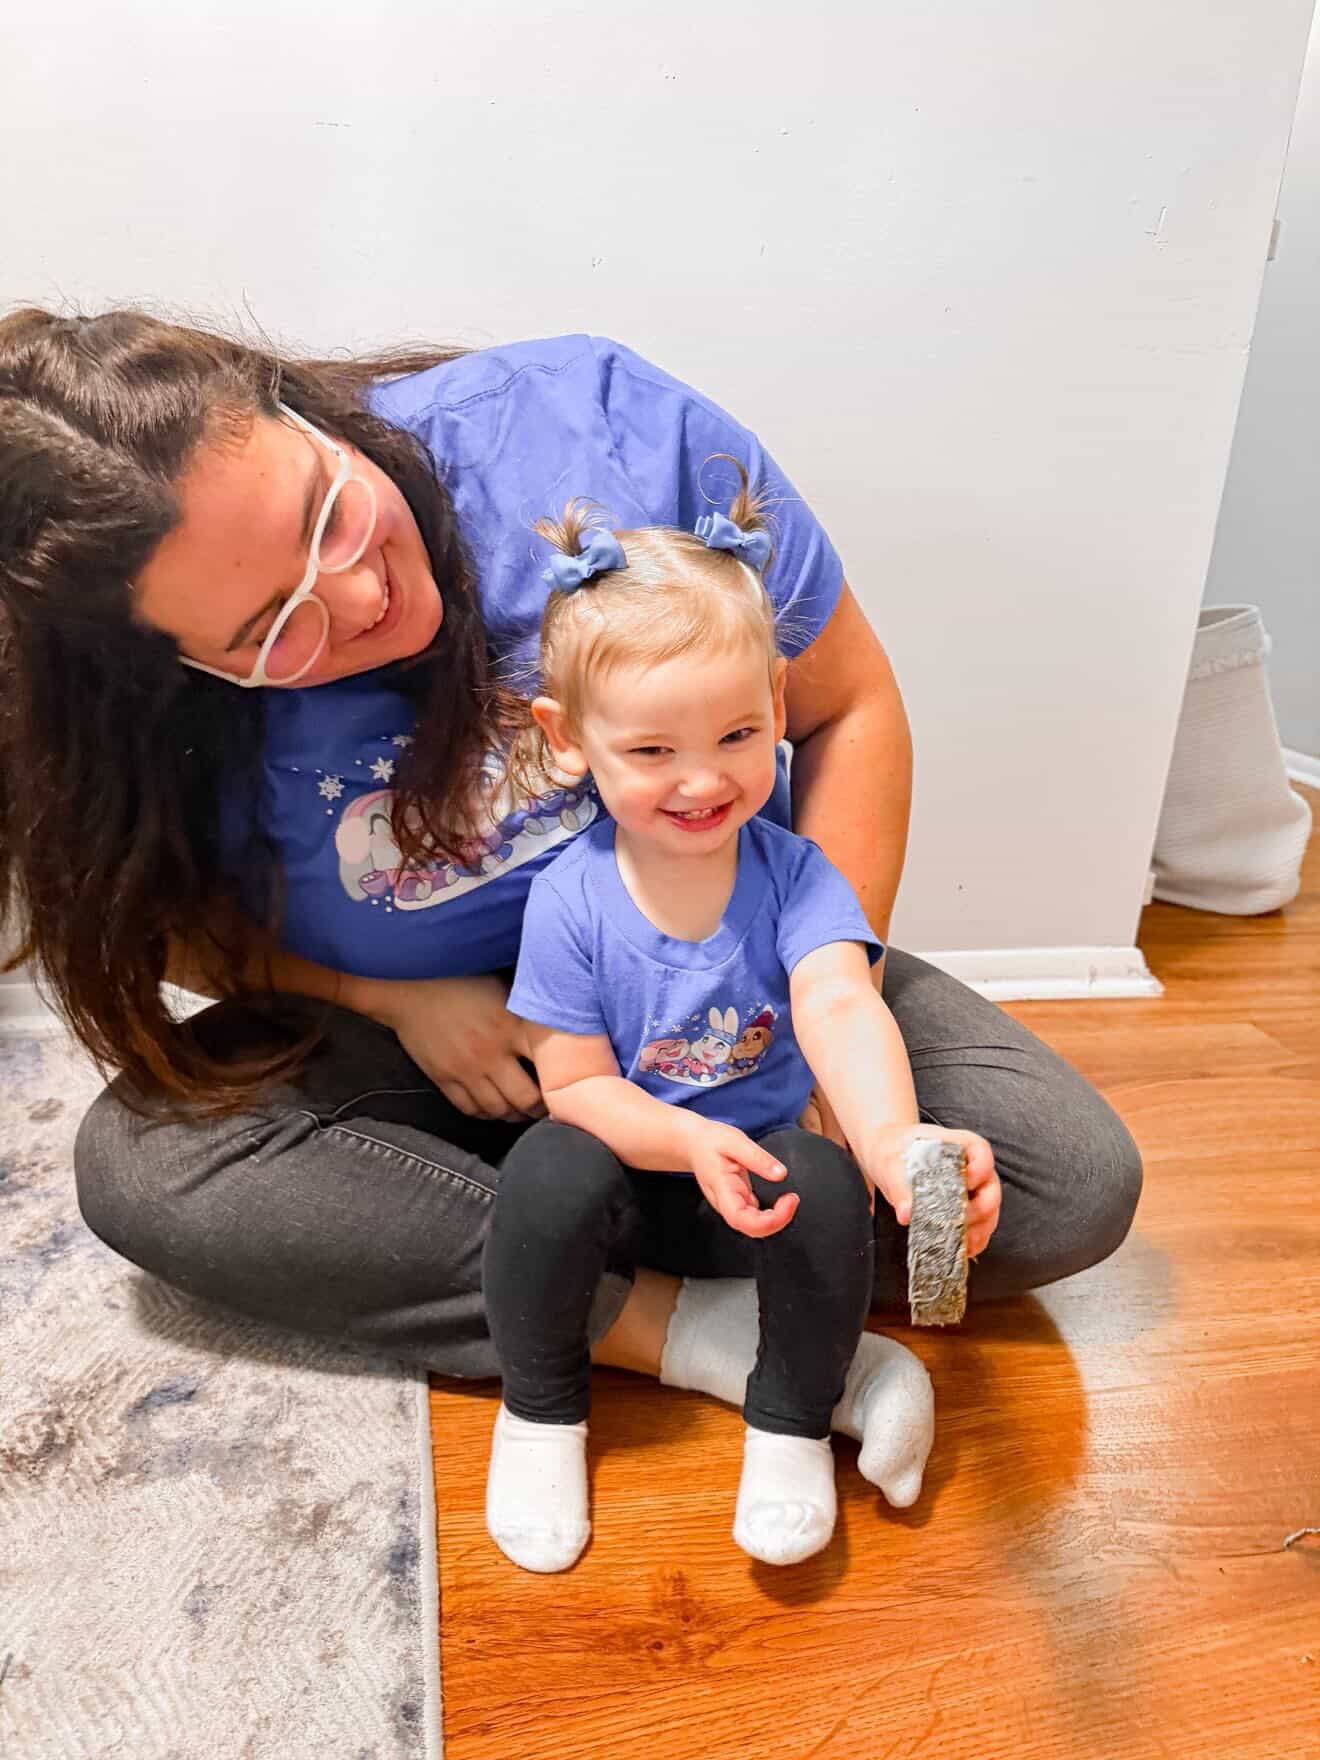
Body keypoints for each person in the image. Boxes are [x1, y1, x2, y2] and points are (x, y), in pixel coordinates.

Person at [0, 309, 1142, 1476]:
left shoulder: (592, 436)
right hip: (459, 1049)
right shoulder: (106, 718)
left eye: (328, 516)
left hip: (726, 986)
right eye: (275, 629)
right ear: (168, 666)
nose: (356, 597)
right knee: (149, 1165)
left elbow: (847, 702)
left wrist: (828, 1013)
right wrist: (393, 999)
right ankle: (689, 1325)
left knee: (1067, 1184)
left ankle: (525, 1226)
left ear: (296, 409)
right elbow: (170, 929)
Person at [483, 486, 1000, 1571]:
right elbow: (572, 1082)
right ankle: (539, 1412)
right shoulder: (570, 900)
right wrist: (680, 1141)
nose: (704, 778)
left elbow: (838, 998)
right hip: (632, 1193)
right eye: (654, 750)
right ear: (568, 740)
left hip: (756, 1204)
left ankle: (790, 1419)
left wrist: (896, 1138)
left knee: (824, 1179)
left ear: (777, 697)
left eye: (735, 733)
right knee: (543, 1170)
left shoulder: (795, 874)